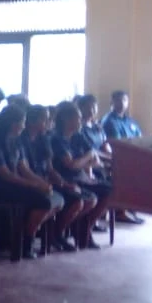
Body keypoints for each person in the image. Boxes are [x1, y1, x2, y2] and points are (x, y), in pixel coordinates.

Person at [0, 105, 60, 259]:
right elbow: (6, 175)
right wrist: (34, 185)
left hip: (14, 185)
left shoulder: (16, 141)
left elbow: (24, 168)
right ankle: (25, 242)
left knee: (56, 199)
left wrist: (42, 183)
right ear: (13, 123)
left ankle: (24, 235)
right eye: (22, 122)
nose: (24, 126)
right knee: (44, 202)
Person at [22, 106, 88, 253]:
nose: (49, 122)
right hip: (30, 182)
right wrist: (42, 183)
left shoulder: (44, 139)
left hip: (46, 181)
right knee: (47, 202)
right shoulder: (22, 140)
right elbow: (24, 170)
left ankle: (55, 235)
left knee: (76, 200)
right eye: (45, 119)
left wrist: (63, 183)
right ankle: (28, 239)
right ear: (33, 121)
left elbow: (50, 169)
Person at [50, 101, 112, 249]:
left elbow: (95, 160)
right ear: (66, 119)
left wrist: (83, 162)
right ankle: (58, 233)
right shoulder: (57, 139)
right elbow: (70, 164)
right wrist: (87, 159)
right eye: (77, 118)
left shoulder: (78, 136)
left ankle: (85, 228)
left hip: (81, 177)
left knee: (110, 191)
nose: (80, 120)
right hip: (64, 179)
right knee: (87, 200)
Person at [101, 90, 143, 224]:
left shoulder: (130, 121)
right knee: (128, 173)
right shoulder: (109, 121)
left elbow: (139, 139)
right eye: (118, 100)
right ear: (112, 102)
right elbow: (116, 144)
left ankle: (132, 208)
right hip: (115, 158)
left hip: (132, 156)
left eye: (124, 100)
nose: (121, 103)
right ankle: (121, 211)